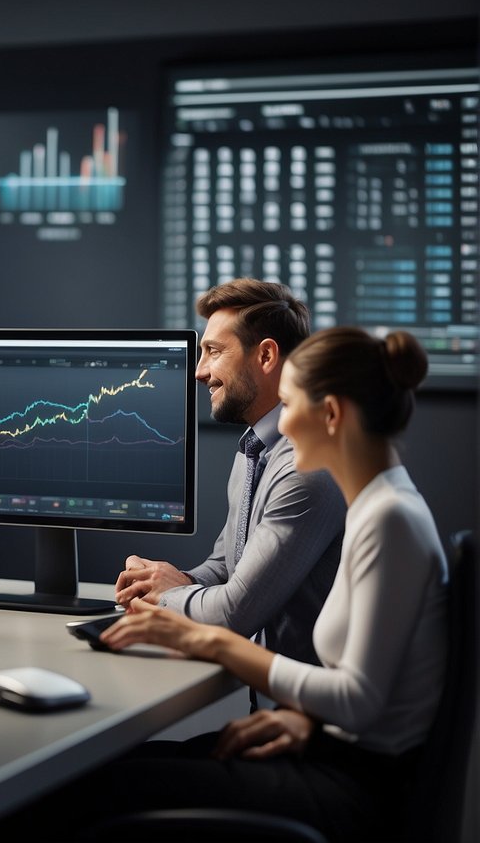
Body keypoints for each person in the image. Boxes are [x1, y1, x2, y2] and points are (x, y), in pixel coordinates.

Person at [30, 326, 447, 842]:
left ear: (332, 415)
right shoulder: (379, 505)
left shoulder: (389, 518)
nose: (283, 424)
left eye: (291, 404)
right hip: (331, 752)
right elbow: (378, 695)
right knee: (110, 770)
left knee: (88, 788)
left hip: (355, 789)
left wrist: (208, 640)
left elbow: (358, 698)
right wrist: (307, 725)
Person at [115, 279, 344, 665]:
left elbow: (236, 611)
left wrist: (167, 597)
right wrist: (170, 580)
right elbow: (227, 565)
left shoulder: (305, 467)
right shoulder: (254, 448)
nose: (199, 372)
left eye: (214, 352)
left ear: (267, 356)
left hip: (305, 710)